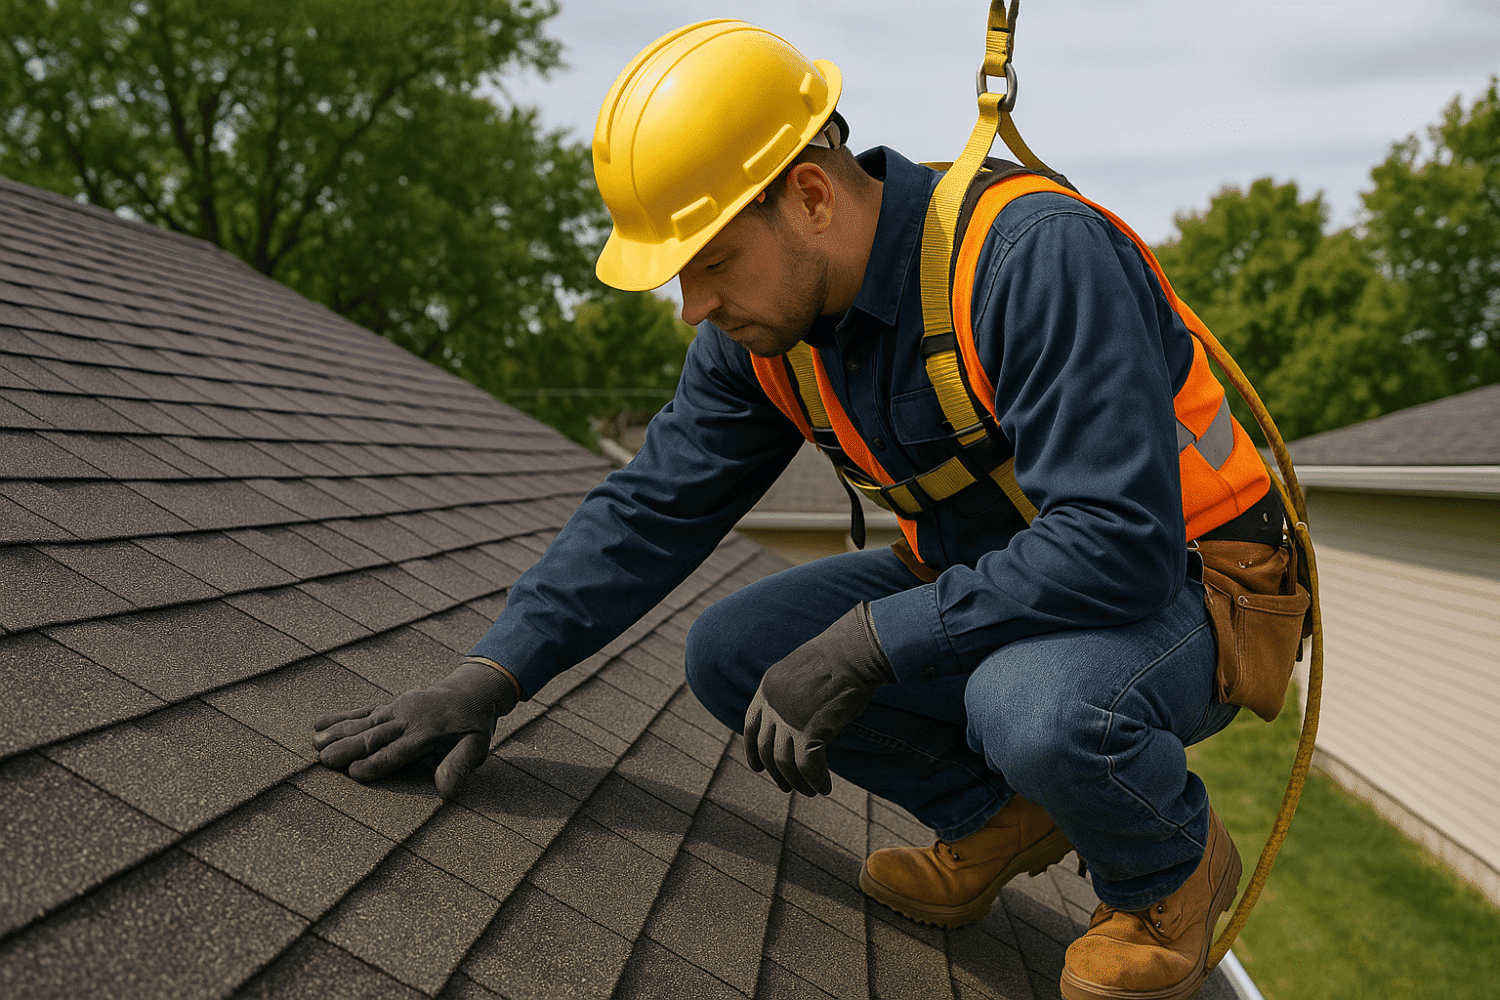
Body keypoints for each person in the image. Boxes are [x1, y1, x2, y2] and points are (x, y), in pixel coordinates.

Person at [314, 19, 1286, 1000]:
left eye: (710, 261)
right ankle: (997, 817)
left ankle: (1168, 871)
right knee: (736, 651)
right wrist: (493, 670)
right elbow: (650, 509)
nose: (692, 304)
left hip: (1193, 583)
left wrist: (868, 641)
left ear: (810, 195)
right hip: (1002, 568)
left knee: (1034, 708)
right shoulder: (766, 339)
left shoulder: (1029, 256)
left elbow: (1117, 544)